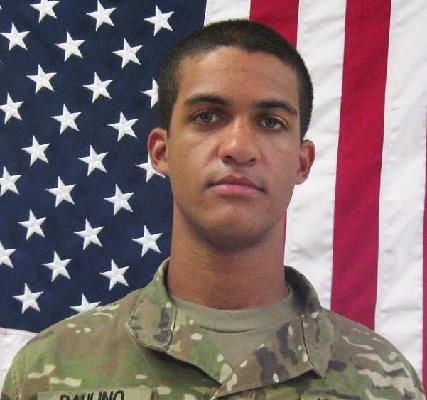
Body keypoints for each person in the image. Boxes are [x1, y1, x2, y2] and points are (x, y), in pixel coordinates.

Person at [1, 19, 424, 400]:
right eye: (207, 116)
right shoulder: (48, 370)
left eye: (271, 122)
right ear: (161, 152)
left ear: (302, 162)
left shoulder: (385, 381)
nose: (238, 147)